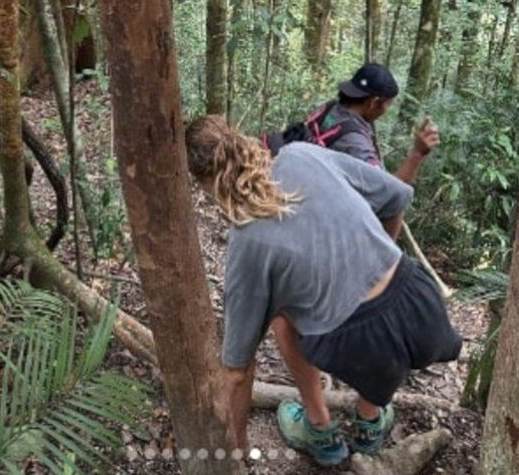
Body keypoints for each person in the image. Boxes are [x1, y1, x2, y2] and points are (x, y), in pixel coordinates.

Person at [186, 115, 461, 466]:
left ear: (206, 183)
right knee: (344, 303)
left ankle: (320, 429)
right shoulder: (302, 154)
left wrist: (236, 451)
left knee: (281, 314)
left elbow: (237, 370)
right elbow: (395, 196)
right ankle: (369, 420)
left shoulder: (246, 242)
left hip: (365, 349)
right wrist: (374, 257)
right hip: (421, 304)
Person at [263, 62, 439, 185]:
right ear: (374, 103)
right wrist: (417, 153)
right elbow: (390, 193)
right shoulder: (355, 143)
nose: (387, 110)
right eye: (388, 104)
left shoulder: (329, 108)